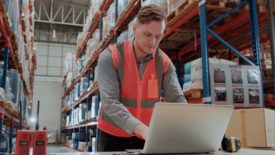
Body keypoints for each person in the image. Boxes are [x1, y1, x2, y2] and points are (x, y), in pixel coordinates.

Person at [95, 4, 187, 151]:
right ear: (135, 29)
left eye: (158, 36)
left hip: (145, 137)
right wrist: (141, 129)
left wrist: (190, 127)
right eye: (147, 34)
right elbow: (109, 102)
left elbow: (177, 99)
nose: (153, 42)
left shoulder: (163, 62)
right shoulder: (110, 56)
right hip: (113, 135)